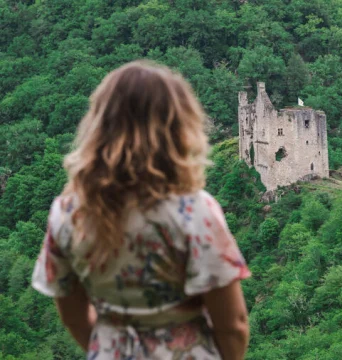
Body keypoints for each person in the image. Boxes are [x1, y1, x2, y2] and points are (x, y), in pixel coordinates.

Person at [31, 61, 251, 360]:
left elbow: (74, 316)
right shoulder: (194, 211)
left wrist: (113, 346)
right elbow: (233, 325)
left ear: (98, 125)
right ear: (178, 127)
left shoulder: (69, 213)